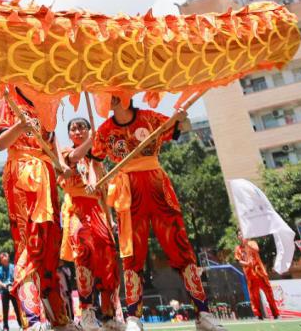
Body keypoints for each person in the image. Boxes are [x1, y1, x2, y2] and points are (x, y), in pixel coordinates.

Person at [89, 97, 225, 331]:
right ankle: (133, 317)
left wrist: (182, 119)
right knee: (132, 254)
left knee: (180, 247)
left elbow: (181, 127)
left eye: (111, 93)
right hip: (128, 192)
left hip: (157, 186)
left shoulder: (150, 118)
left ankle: (203, 313)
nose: (106, 98)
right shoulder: (104, 131)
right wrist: (95, 183)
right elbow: (95, 162)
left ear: (124, 94)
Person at [0, 89, 69, 330]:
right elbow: (0, 143)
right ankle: (32, 318)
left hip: (46, 175)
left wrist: (62, 164)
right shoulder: (7, 102)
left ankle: (58, 318)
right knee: (30, 244)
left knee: (50, 245)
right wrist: (19, 127)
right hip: (23, 173)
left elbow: (51, 139)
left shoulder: (46, 103)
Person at [58, 117, 120, 331]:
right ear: (69, 135)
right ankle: (87, 312)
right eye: (73, 129)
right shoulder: (65, 153)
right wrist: (91, 140)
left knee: (108, 260)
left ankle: (110, 314)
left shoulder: (97, 160)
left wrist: (110, 220)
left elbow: (102, 194)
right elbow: (74, 158)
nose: (77, 131)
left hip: (97, 212)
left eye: (81, 127)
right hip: (77, 209)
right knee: (83, 256)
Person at [234, 237, 279, 321]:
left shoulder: (252, 243)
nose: (241, 236)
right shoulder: (238, 248)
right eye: (239, 234)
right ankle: (258, 315)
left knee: (269, 294)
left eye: (242, 234)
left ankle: (275, 313)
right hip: (250, 275)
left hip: (260, 273)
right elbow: (238, 261)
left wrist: (246, 243)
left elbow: (256, 249)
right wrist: (247, 263)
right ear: (238, 237)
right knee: (254, 297)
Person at [0, 253, 23, 331]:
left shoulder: (13, 267)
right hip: (5, 291)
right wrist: (4, 285)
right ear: (1, 261)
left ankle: (21, 324)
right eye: (3, 260)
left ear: (8, 259)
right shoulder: (0, 268)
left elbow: (17, 276)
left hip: (13, 290)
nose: (4, 262)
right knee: (5, 310)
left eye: (6, 260)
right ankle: (5, 326)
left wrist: (14, 284)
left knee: (17, 308)